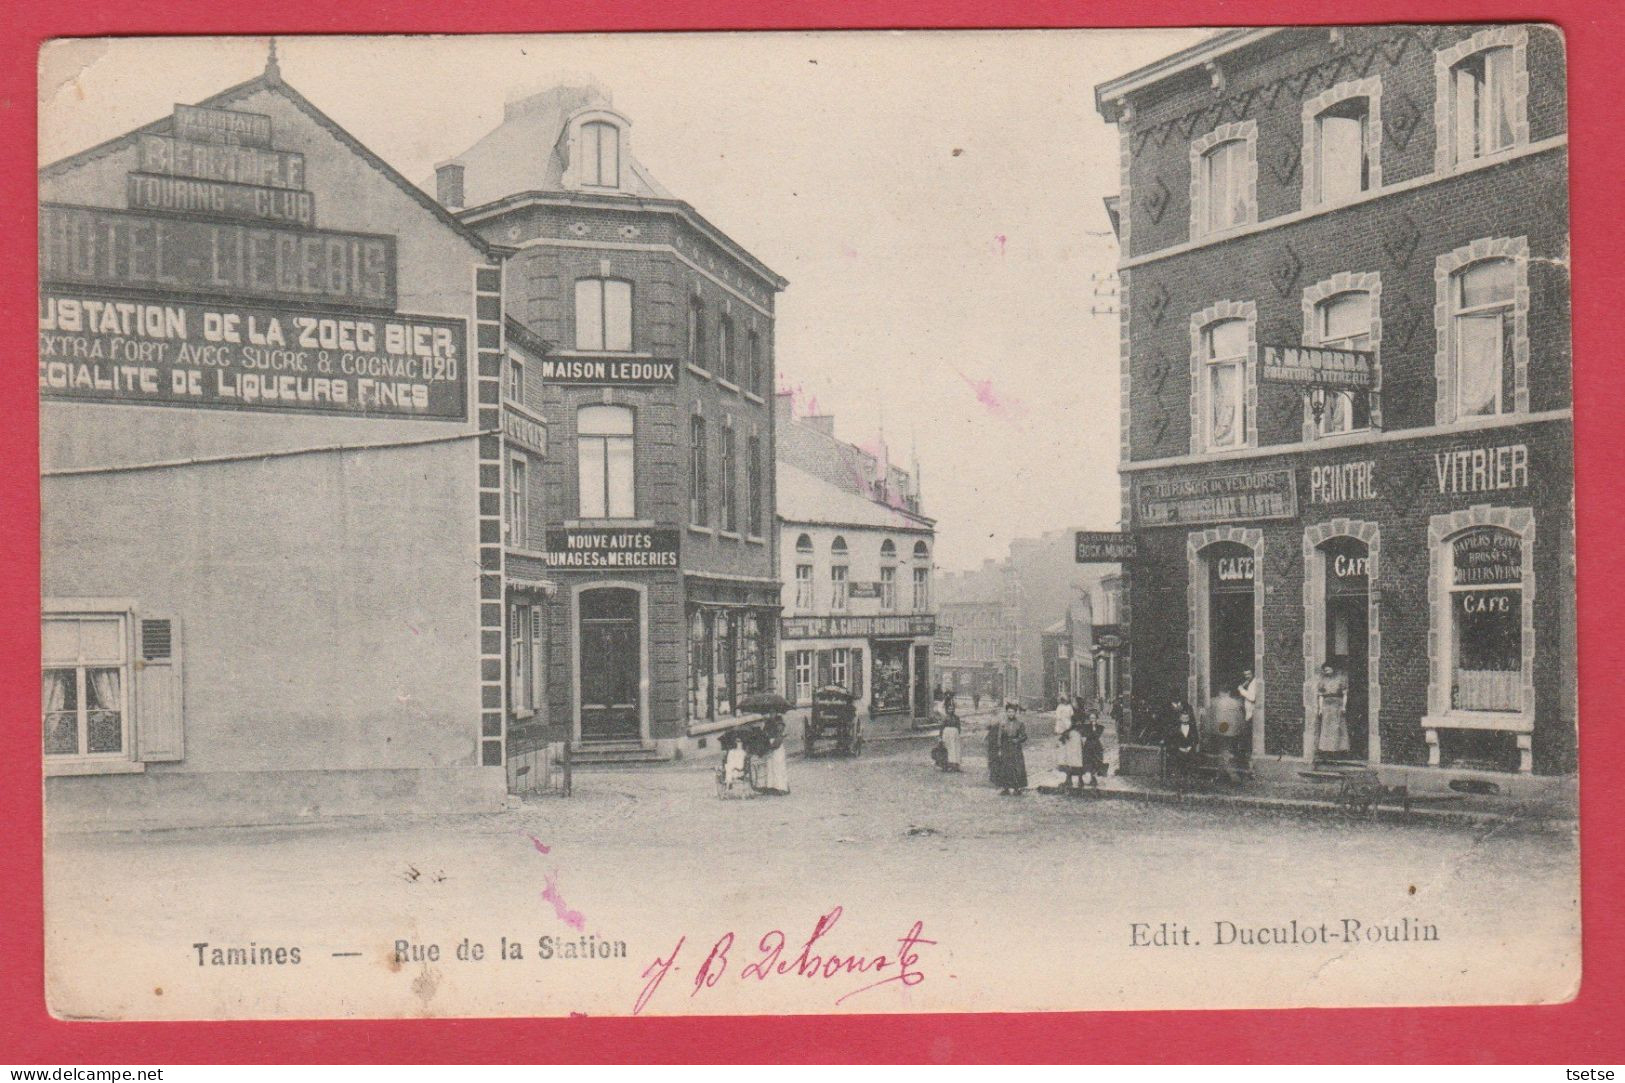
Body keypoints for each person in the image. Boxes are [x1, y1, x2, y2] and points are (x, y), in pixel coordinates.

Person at [1315, 663, 1350, 759]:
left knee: (1337, 727)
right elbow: (1321, 695)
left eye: (1328, 669)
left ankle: (1338, 750)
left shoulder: (1340, 679)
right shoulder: (1323, 680)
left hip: (1337, 705)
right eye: (1325, 670)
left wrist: (1344, 706)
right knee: (1327, 728)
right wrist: (1320, 709)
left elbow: (1344, 694)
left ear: (1332, 668)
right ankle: (1327, 750)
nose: (1326, 671)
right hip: (1327, 706)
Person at [993, 702, 1029, 795]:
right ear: (1006, 712)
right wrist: (1000, 748)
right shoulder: (1003, 723)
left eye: (1012, 712)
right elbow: (999, 737)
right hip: (1006, 747)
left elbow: (1024, 736)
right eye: (1009, 712)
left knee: (1016, 767)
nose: (1010, 714)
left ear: (1015, 713)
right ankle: (1006, 788)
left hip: (1016, 748)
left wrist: (1017, 740)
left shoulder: (1020, 723)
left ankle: (1017, 788)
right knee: (1005, 766)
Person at [756, 715, 790, 795]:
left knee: (778, 766)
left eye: (773, 711)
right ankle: (771, 786)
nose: (771, 712)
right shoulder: (767, 721)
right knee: (770, 766)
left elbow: (780, 730)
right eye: (770, 711)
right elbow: (764, 733)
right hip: (769, 743)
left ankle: (781, 787)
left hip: (776, 744)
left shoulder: (778, 719)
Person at [1166, 701, 1200, 781]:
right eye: (1183, 717)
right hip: (1178, 750)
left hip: (1189, 750)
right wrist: (1179, 748)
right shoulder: (1176, 729)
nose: (1185, 719)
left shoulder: (1191, 728)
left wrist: (1189, 747)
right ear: (1180, 718)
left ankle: (1189, 779)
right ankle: (1178, 779)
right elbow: (1173, 740)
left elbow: (1195, 739)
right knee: (1177, 761)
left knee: (1191, 761)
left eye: (1187, 718)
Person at [1079, 705, 1108, 787]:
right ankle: (1090, 777)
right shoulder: (1086, 727)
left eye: (1094, 718)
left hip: (1096, 746)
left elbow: (1098, 736)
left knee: (1097, 761)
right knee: (1088, 762)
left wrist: (1103, 746)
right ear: (1089, 719)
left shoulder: (1100, 727)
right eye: (1091, 718)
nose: (1092, 720)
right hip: (1088, 746)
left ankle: (1094, 776)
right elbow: (1084, 736)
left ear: (1096, 719)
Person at [937, 694, 963, 771]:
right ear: (947, 710)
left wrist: (958, 734)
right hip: (947, 735)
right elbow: (942, 727)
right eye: (949, 709)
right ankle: (946, 765)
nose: (951, 710)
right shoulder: (945, 718)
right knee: (948, 749)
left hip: (954, 735)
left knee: (955, 749)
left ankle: (955, 765)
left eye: (952, 709)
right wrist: (940, 737)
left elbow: (959, 727)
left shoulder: (956, 717)